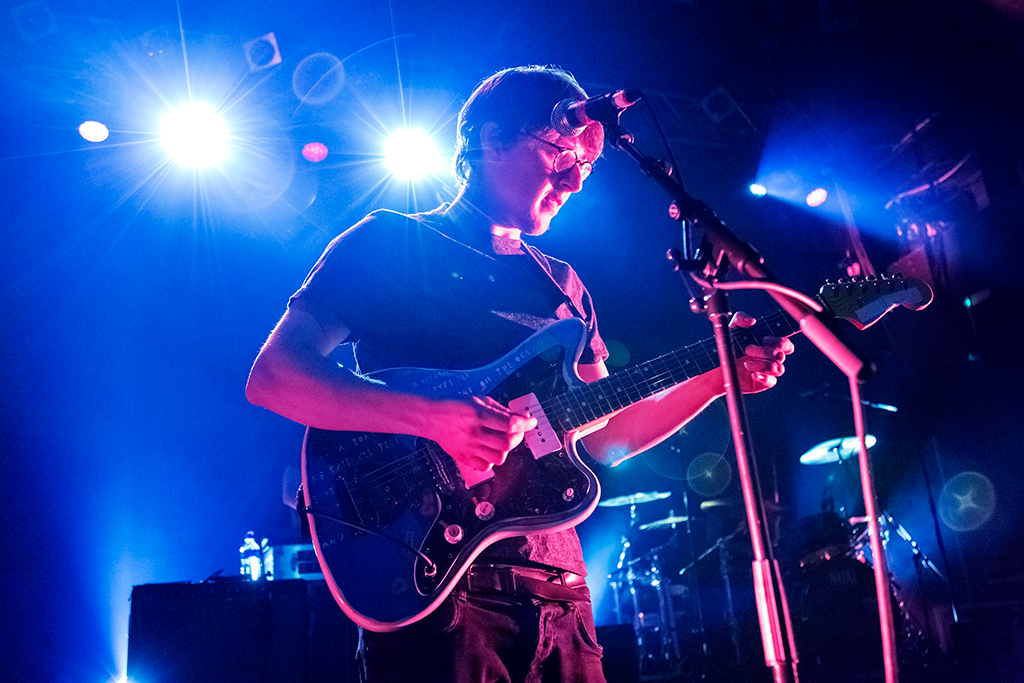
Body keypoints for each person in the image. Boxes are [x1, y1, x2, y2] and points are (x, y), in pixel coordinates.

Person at [246, 65, 794, 683]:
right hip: (437, 590)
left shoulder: (563, 283)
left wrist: (716, 379)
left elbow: (606, 436)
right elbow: (276, 375)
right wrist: (434, 419)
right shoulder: (390, 242)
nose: (574, 178)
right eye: (561, 152)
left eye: (586, 166)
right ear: (492, 138)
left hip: (560, 596)